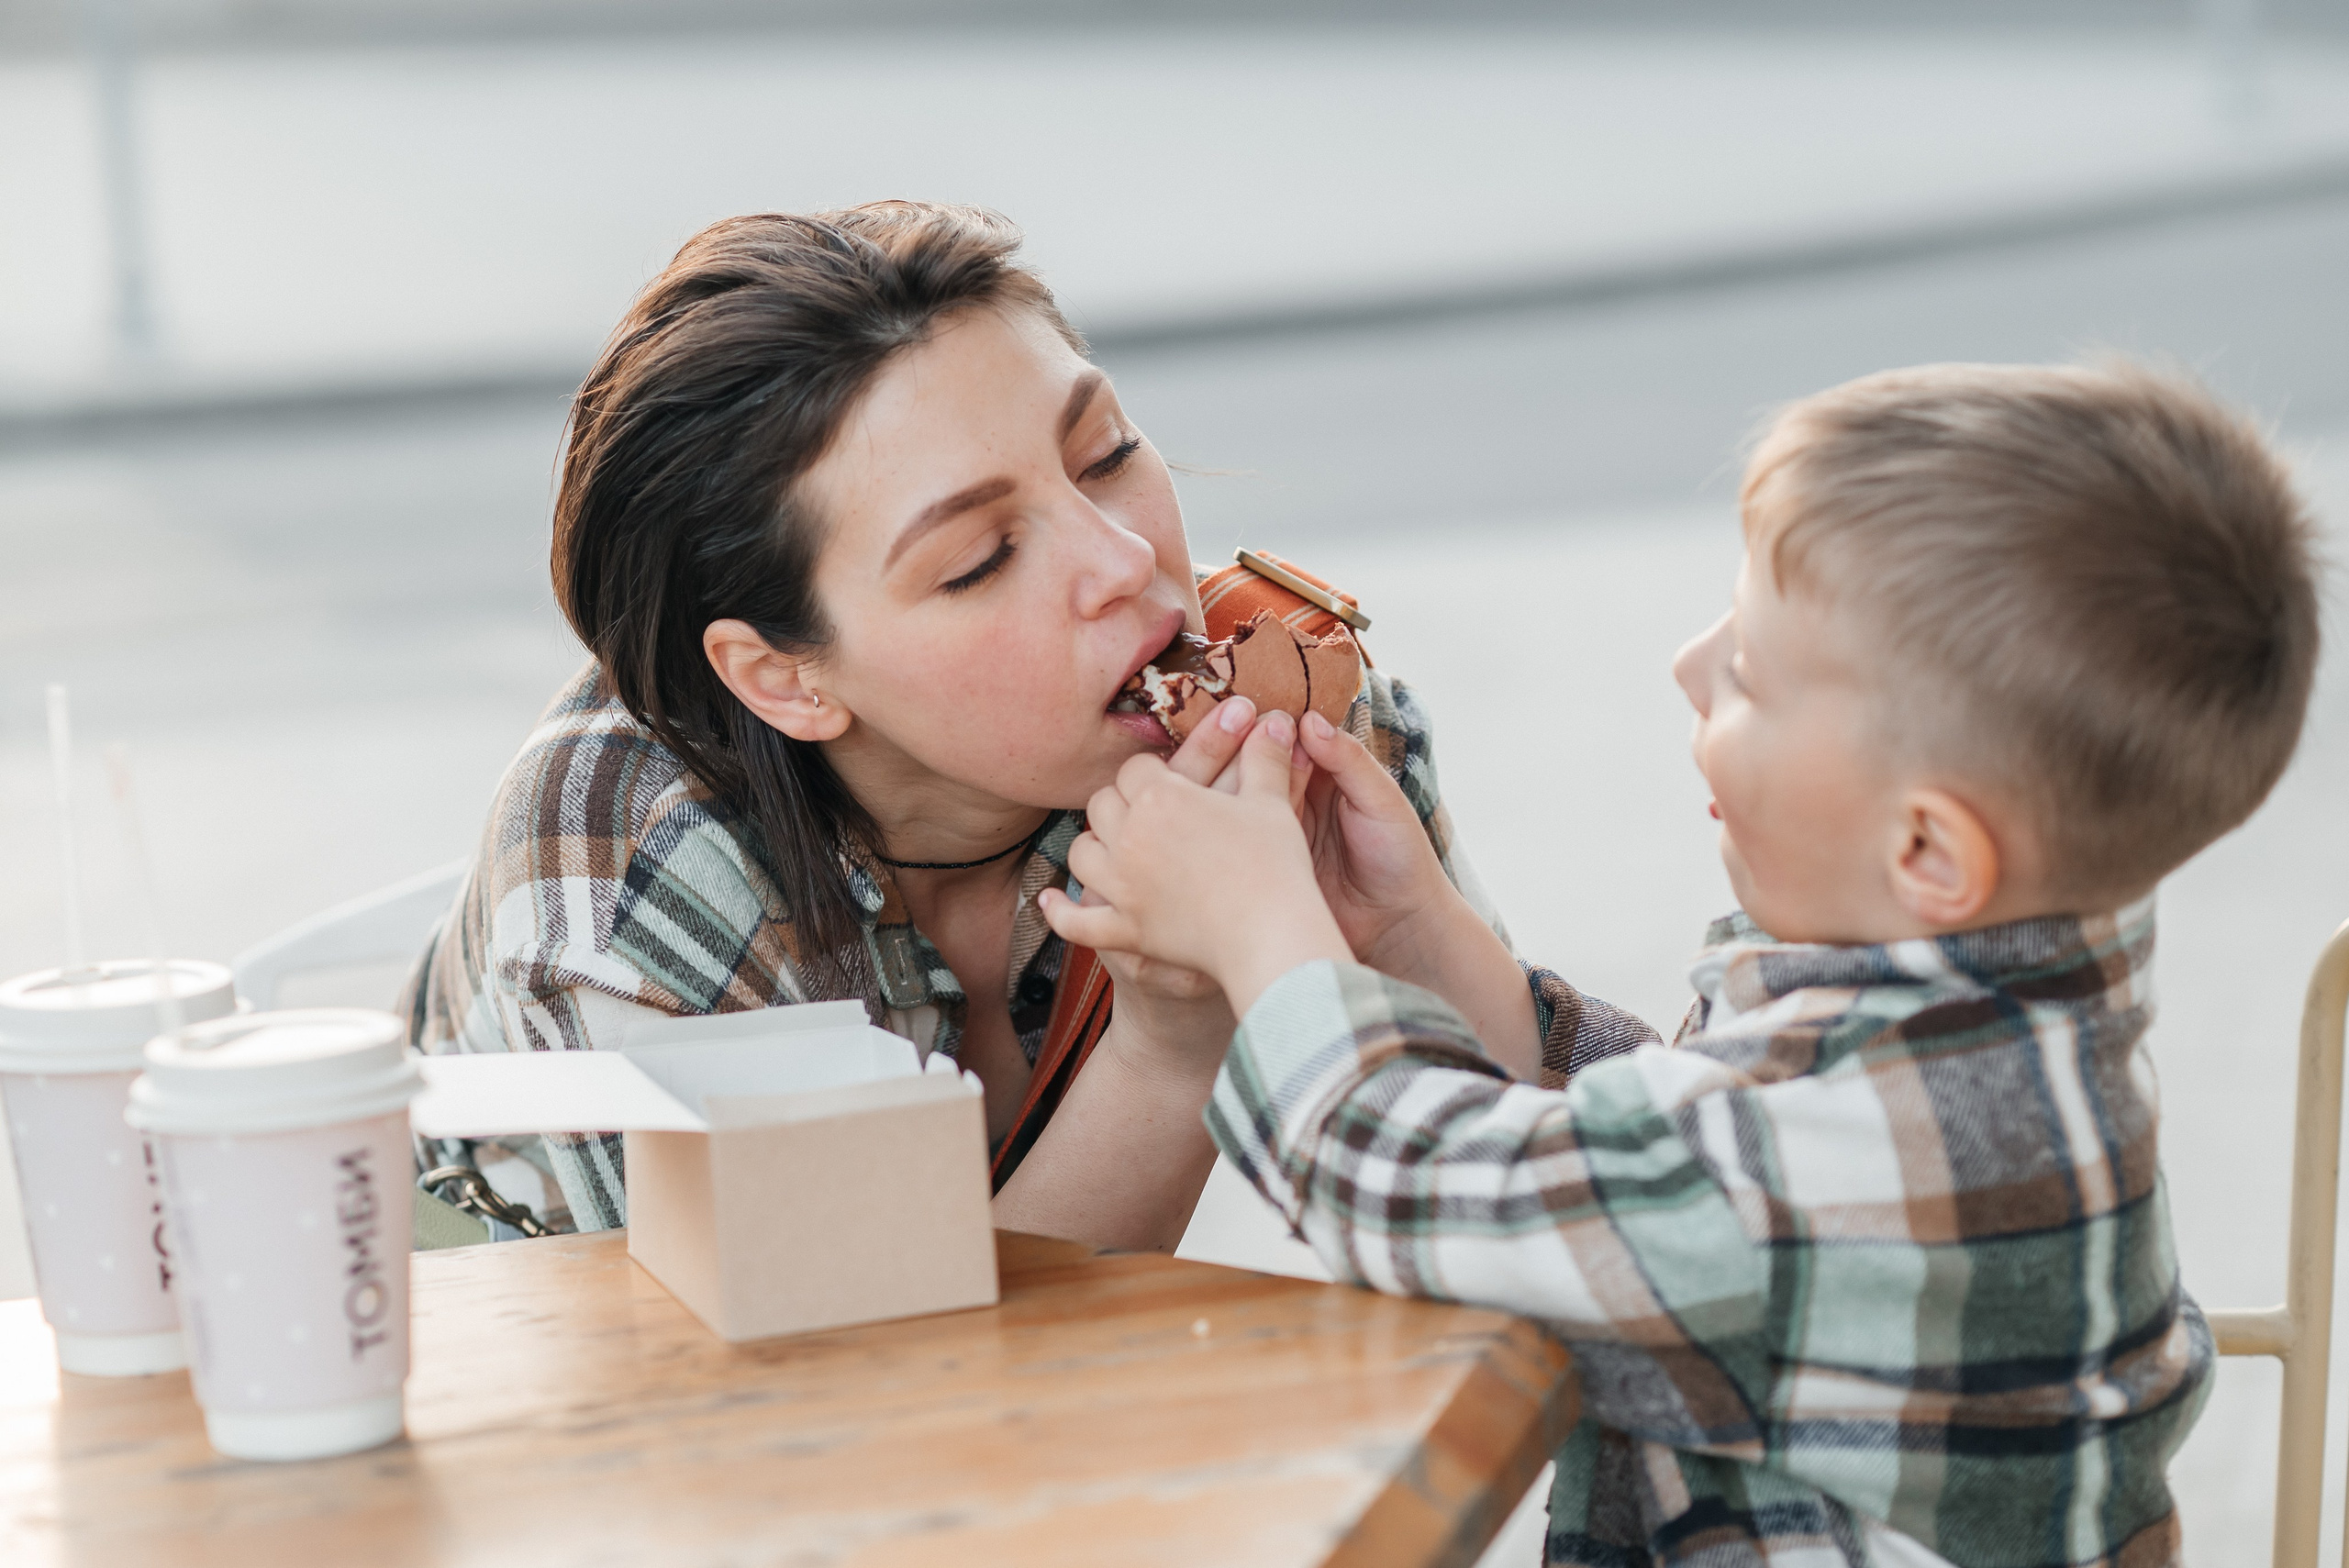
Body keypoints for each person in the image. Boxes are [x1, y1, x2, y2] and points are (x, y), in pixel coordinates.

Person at [1041, 361, 2322, 1565]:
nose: (1686, 665)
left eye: (1752, 671)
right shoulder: (1978, 1017)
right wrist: (1416, 931)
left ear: (1927, 844)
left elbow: (1439, 1204)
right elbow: (1664, 1158)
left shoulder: (1908, 1140)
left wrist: (1265, 935)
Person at [402, 201, 1648, 1249]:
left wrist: (1413, 934)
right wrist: (1172, 1043)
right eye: (983, 557)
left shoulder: (1281, 688)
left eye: (1103, 452)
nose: (1124, 559)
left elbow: (1598, 1213)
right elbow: (865, 1418)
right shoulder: (634, 883)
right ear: (785, 679)